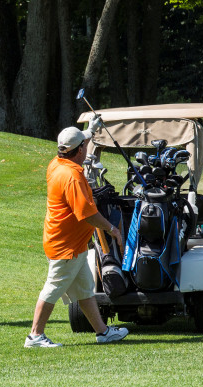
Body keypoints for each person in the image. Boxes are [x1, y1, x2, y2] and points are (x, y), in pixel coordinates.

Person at [25, 121, 129, 348]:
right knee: (52, 288)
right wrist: (112, 230)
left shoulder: (57, 163)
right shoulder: (71, 176)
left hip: (73, 243)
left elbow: (79, 144)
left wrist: (90, 130)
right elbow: (87, 215)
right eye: (85, 144)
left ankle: (103, 332)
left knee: (84, 290)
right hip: (66, 246)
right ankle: (34, 336)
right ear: (80, 150)